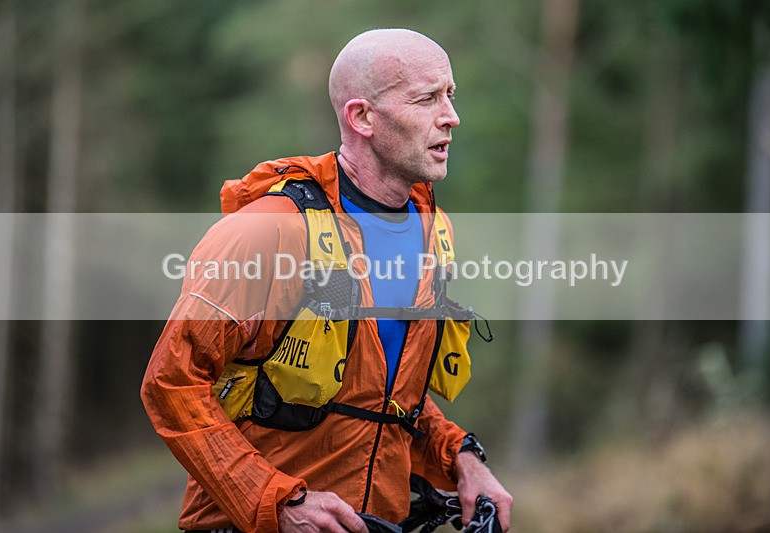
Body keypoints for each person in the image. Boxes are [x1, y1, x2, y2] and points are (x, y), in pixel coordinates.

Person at [141, 28, 512, 533]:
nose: (451, 116)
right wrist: (277, 502)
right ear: (362, 117)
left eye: (450, 95)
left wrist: (461, 458)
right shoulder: (270, 230)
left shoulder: (433, 231)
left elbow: (380, 394)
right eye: (427, 99)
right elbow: (172, 383)